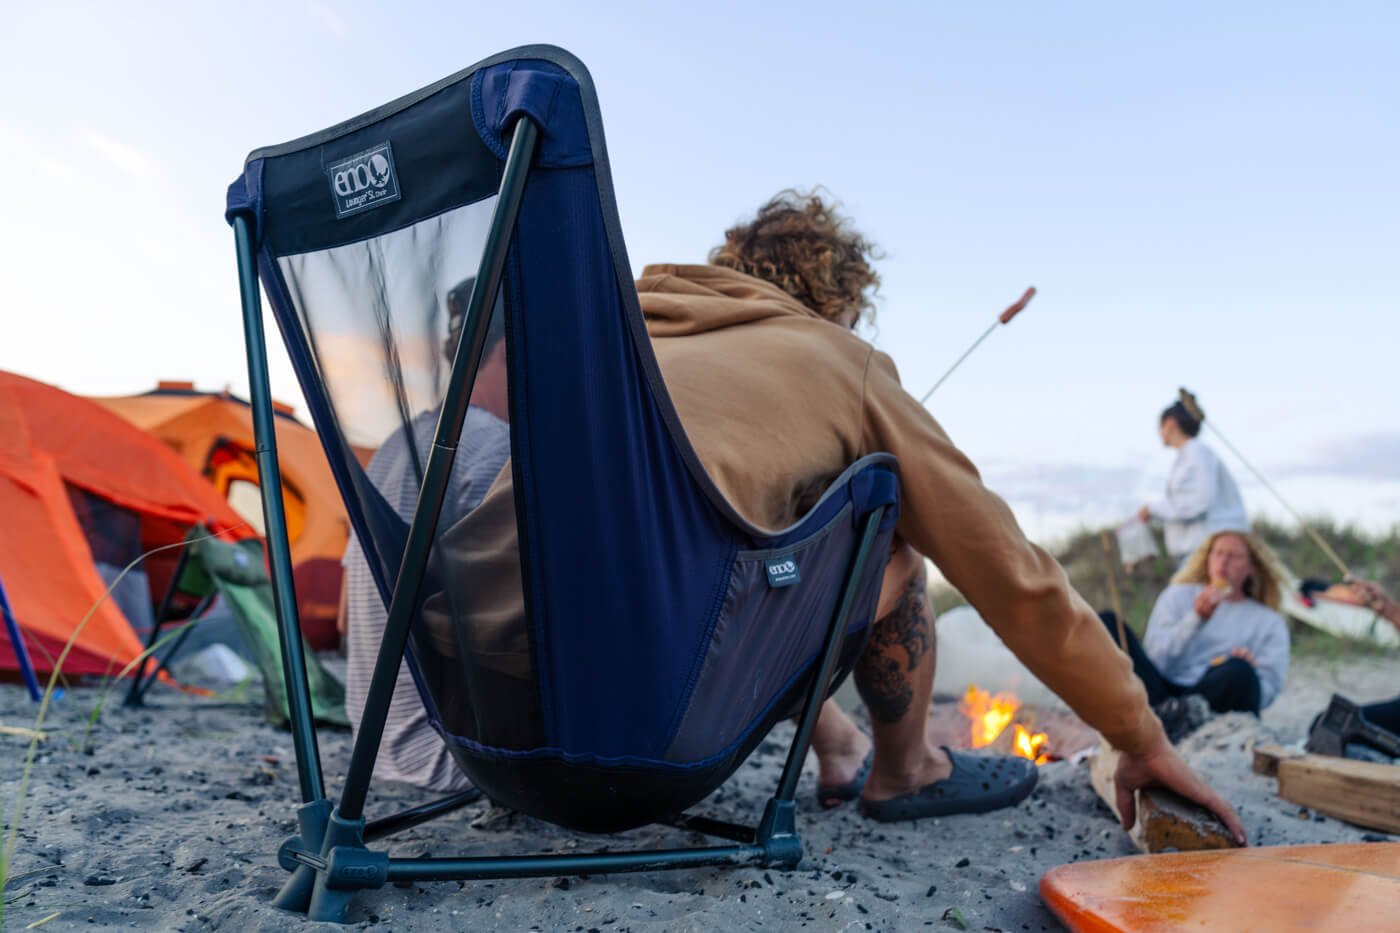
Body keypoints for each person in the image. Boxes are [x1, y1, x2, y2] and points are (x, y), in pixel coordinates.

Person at [433, 191, 1245, 839]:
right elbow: (1008, 569)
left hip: (488, 719)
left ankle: (837, 750)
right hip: (644, 737)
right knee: (884, 525)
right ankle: (906, 768)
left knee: (735, 546)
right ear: (838, 298)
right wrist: (1139, 735)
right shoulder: (836, 357)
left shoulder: (617, 337)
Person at [337, 276, 510, 792]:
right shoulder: (496, 451)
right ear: (513, 346)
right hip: (458, 760)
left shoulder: (400, 442)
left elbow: (348, 617)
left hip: (384, 750)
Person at [1101, 530, 1289, 719]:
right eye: (1218, 553)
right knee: (1107, 623)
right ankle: (1162, 717)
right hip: (1159, 694)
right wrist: (1196, 619)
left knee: (1240, 670)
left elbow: (1268, 690)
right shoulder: (1178, 595)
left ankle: (1182, 720)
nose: (1223, 562)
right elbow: (1157, 662)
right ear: (1207, 558)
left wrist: (1251, 675)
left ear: (1252, 566)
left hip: (1210, 699)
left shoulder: (1268, 621)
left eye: (1234, 556)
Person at [1137, 400, 1247, 564]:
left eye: (1160, 426)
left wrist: (1153, 508)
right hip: (1200, 550)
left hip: (1206, 552)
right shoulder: (1191, 454)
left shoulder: (1197, 452)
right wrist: (1155, 514)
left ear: (1170, 422)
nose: (1160, 432)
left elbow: (1198, 501)